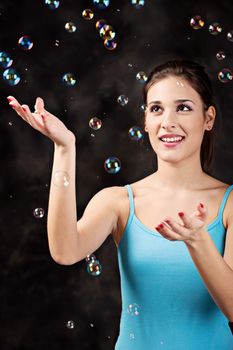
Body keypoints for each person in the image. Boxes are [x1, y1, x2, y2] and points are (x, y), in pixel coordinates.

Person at [7, 59, 233, 349]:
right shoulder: (119, 202)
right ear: (146, 122)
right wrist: (65, 148)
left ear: (209, 118)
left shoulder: (229, 204)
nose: (168, 122)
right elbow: (65, 251)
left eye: (184, 107)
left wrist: (198, 242)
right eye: (156, 109)